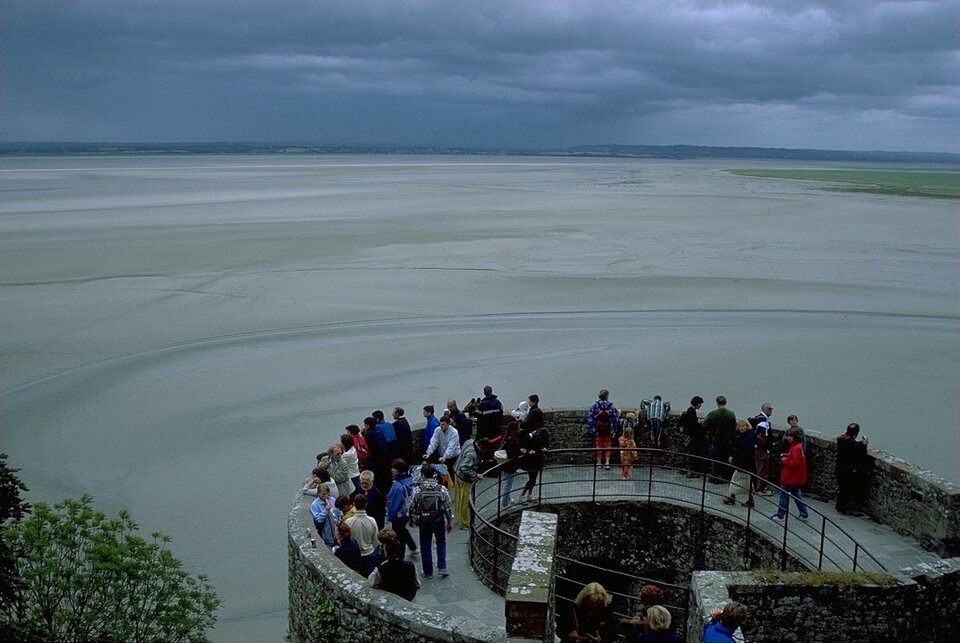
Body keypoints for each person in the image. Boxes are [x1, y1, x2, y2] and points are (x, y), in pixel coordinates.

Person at [408, 463, 453, 579]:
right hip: (438, 520)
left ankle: (428, 572)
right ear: (434, 475)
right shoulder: (441, 489)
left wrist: (411, 518)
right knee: (441, 542)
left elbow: (412, 505)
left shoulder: (418, 490)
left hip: (424, 520)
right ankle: (442, 567)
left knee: (425, 545)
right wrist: (449, 521)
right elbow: (447, 506)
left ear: (422, 475)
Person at [452, 437, 494, 529]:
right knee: (465, 501)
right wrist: (475, 475)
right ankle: (464, 523)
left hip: (456, 472)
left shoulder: (469, 441)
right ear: (481, 447)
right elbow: (464, 467)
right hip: (464, 478)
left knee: (458, 498)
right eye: (484, 450)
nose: (484, 452)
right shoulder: (473, 455)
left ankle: (459, 519)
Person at [771, 427, 810, 521]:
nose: (788, 438)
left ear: (795, 437)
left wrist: (784, 460)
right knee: (796, 494)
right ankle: (804, 513)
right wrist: (787, 455)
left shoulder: (795, 448)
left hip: (790, 477)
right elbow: (795, 459)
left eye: (790, 436)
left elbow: (794, 464)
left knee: (783, 495)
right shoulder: (798, 446)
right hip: (796, 478)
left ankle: (780, 515)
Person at [518, 395, 548, 503]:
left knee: (533, 477)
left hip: (534, 455)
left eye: (529, 401)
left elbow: (526, 423)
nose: (528, 402)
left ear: (533, 402)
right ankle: (526, 495)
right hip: (536, 456)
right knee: (533, 477)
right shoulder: (537, 412)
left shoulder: (534, 412)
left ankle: (525, 495)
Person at [386, 458, 418, 558]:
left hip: (398, 515)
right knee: (402, 530)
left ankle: (400, 556)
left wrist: (390, 517)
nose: (391, 470)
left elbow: (395, 504)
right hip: (405, 512)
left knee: (399, 536)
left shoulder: (397, 486)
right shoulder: (408, 480)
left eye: (394, 468)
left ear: (398, 470)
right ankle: (412, 547)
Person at [835, 422, 869, 515]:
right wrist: (864, 444)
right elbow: (859, 453)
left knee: (843, 489)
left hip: (840, 468)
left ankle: (840, 507)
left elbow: (852, 445)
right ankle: (841, 508)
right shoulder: (851, 443)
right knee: (846, 490)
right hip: (847, 471)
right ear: (856, 433)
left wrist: (860, 443)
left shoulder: (842, 439)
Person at [722, 419, 757, 507]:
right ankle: (746, 499)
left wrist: (735, 457)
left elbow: (745, 450)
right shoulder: (746, 436)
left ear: (747, 426)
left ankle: (732, 497)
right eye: (740, 426)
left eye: (743, 426)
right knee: (746, 482)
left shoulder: (748, 437)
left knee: (736, 479)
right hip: (745, 464)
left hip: (744, 464)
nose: (741, 428)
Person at [703, 396, 737, 484]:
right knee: (725, 460)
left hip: (715, 440)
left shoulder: (713, 414)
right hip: (728, 441)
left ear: (717, 403)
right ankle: (725, 477)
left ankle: (715, 477)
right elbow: (734, 427)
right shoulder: (731, 414)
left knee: (715, 460)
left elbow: (705, 425)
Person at [345, 494, 381, 577]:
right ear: (366, 504)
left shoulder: (348, 522)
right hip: (369, 554)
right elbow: (376, 540)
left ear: (354, 504)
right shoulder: (372, 520)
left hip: (354, 556)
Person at [587, 389, 619, 469]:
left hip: (598, 428)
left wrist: (592, 428)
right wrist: (614, 428)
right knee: (608, 445)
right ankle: (607, 462)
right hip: (608, 428)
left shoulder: (595, 405)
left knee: (599, 445)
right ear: (607, 396)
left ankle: (599, 463)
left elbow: (590, 418)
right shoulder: (610, 405)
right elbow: (614, 418)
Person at [362, 416, 392, 496]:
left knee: (379, 480)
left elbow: (368, 448)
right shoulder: (379, 431)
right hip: (385, 457)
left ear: (367, 425)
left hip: (376, 460)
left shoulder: (368, 435)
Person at [496, 420, 523, 508]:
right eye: (518, 428)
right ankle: (504, 503)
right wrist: (520, 452)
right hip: (510, 466)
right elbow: (513, 454)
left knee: (508, 482)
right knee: (508, 484)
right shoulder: (512, 440)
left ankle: (507, 499)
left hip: (506, 465)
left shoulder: (507, 438)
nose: (519, 429)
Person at [679, 396, 706, 477]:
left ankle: (684, 469)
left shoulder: (688, 411)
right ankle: (689, 471)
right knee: (690, 452)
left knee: (686, 451)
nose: (700, 405)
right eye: (700, 404)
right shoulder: (692, 412)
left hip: (686, 435)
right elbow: (692, 425)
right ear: (697, 404)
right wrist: (698, 423)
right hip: (690, 436)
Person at [750, 403, 774, 496]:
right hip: (761, 449)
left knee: (760, 468)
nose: (771, 411)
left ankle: (759, 486)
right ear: (764, 409)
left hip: (758, 448)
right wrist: (766, 448)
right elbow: (761, 436)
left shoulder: (758, 418)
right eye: (769, 409)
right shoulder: (763, 421)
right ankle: (761, 488)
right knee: (762, 469)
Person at [309, 484, 342, 549]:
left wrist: (339, 519)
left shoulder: (332, 500)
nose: (326, 496)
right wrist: (326, 510)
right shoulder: (314, 505)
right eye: (323, 494)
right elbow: (318, 520)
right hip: (326, 535)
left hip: (337, 534)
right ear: (318, 494)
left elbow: (338, 512)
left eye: (327, 493)